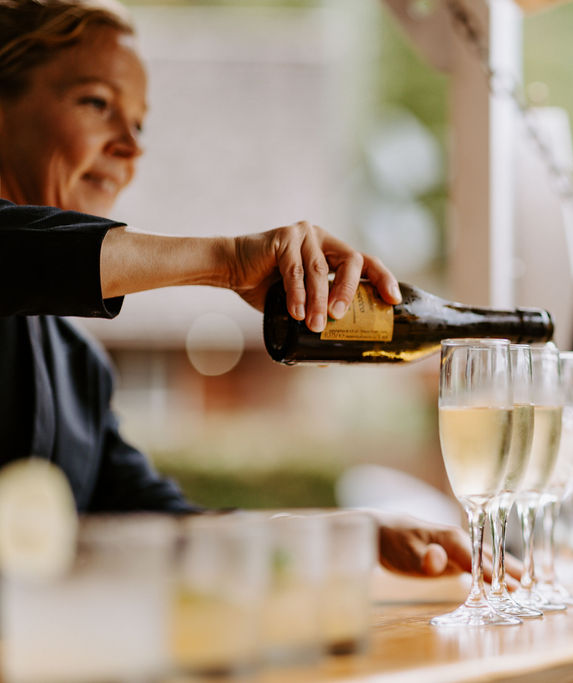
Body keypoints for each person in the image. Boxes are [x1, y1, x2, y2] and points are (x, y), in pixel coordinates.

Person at [0, 0, 477, 580]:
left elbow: (165, 526)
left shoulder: (77, 369)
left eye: (141, 122)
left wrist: (353, 531)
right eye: (97, 102)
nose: (131, 145)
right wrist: (228, 261)